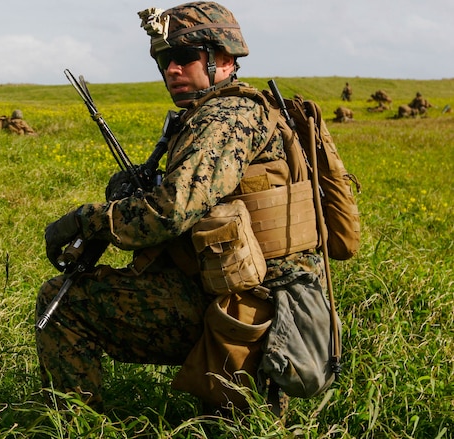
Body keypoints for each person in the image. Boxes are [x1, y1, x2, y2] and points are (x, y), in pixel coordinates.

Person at [36, 1, 326, 416]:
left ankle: (74, 425)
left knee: (61, 304)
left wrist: (85, 219)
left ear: (223, 58)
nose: (172, 68)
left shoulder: (227, 117)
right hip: (246, 291)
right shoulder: (234, 111)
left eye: (185, 56)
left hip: (254, 305)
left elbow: (168, 213)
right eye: (164, 59)